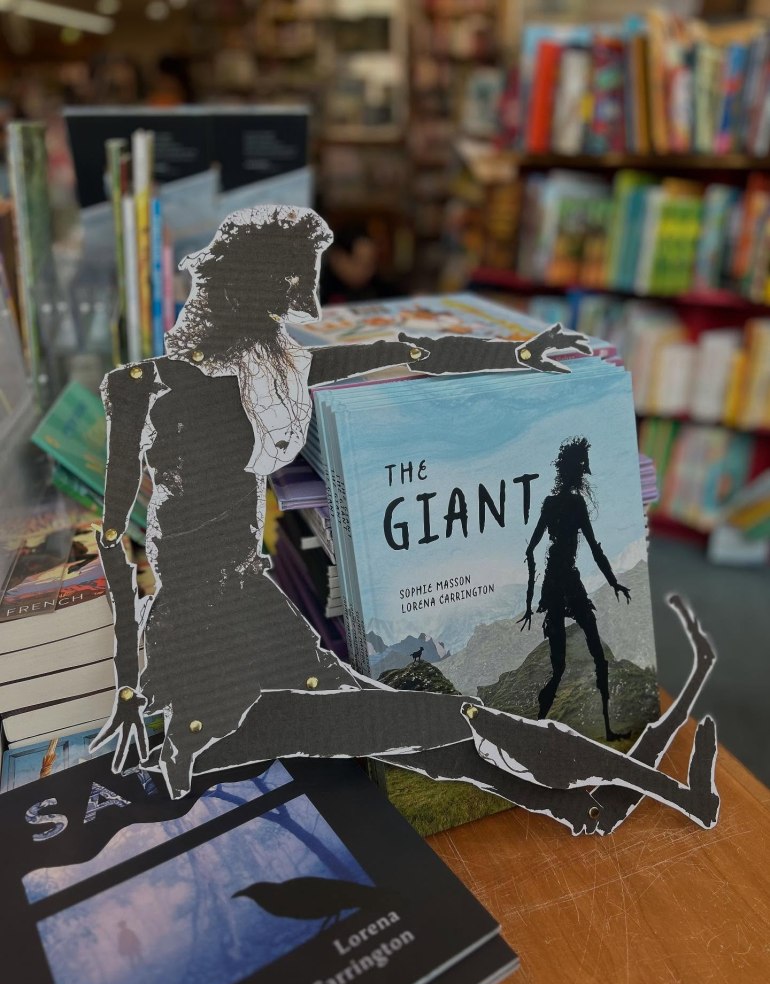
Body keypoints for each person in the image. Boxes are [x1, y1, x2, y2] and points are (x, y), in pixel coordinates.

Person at [91, 205, 718, 834]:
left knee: (434, 729)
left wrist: (516, 354)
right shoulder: (141, 386)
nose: (303, 299)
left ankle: (599, 801)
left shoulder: (276, 373)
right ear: (247, 283)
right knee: (214, 775)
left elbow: (410, 353)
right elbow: (114, 538)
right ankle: (610, 798)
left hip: (255, 605)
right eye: (291, 282)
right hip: (195, 636)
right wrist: (128, 687)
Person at [519, 437, 631, 741]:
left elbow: (530, 550)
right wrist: (612, 581)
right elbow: (594, 548)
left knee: (560, 668)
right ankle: (606, 730)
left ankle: (537, 730)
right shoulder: (575, 503)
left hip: (554, 584)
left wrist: (530, 601)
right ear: (575, 471)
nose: (584, 473)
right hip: (567, 581)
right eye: (582, 468)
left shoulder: (550, 503)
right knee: (596, 655)